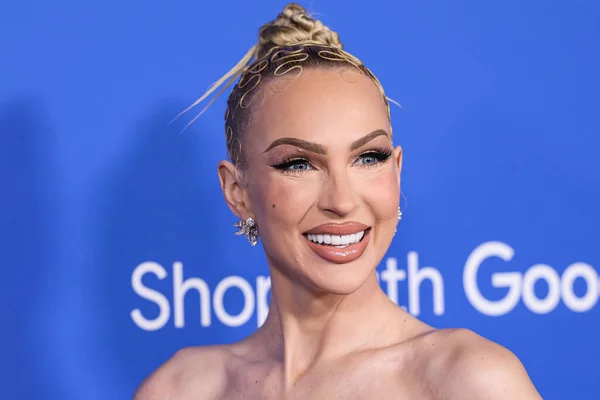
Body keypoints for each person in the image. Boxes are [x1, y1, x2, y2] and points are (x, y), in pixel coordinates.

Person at [134, 3, 541, 399]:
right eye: (298, 164)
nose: (342, 201)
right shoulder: (178, 389)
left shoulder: (470, 382)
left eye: (369, 158)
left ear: (397, 171)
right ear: (237, 193)